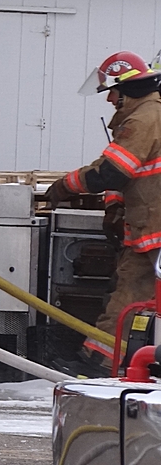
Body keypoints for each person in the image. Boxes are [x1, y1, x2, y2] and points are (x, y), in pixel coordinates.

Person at [46, 51, 161, 374]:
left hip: (154, 230)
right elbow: (131, 172)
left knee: (131, 297)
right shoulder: (147, 115)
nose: (109, 99)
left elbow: (112, 171)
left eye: (112, 92)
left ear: (127, 89)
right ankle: (99, 363)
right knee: (126, 296)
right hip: (148, 229)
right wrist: (114, 206)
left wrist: (65, 186)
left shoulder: (144, 119)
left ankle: (102, 364)